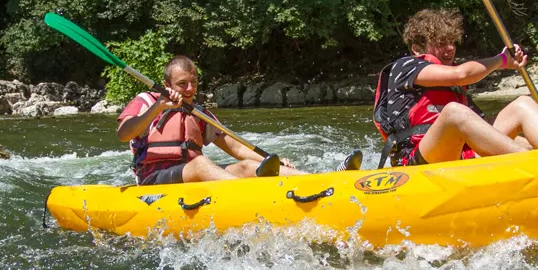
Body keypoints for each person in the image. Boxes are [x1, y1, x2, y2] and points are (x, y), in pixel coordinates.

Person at [118, 55, 362, 185]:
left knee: (248, 167)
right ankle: (250, 199)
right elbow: (124, 133)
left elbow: (236, 147)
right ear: (168, 84)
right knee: (202, 163)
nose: (190, 89)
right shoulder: (148, 100)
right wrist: (160, 106)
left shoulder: (200, 114)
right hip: (153, 178)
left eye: (193, 83)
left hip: (188, 176)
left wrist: (272, 162)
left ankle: (326, 180)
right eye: (182, 84)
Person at [373, 8, 538, 167]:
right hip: (416, 162)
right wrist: (502, 60)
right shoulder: (406, 66)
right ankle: (537, 165)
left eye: (452, 41)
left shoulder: (454, 90)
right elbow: (461, 75)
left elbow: (485, 135)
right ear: (417, 49)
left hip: (461, 155)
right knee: (454, 113)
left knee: (522, 105)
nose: (450, 48)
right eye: (441, 43)